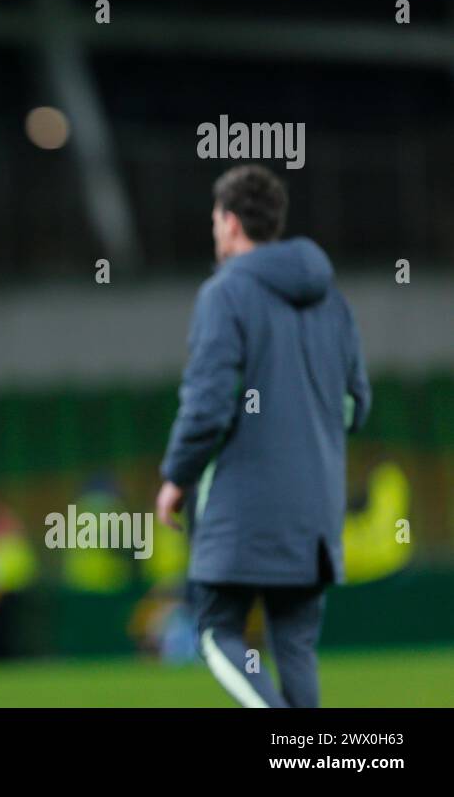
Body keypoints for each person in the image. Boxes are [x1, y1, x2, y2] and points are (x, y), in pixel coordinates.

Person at [156, 164, 371, 708]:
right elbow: (356, 404)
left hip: (244, 514)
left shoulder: (224, 294)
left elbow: (207, 409)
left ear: (230, 223)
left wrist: (176, 479)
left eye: (214, 220)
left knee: (216, 630)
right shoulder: (333, 300)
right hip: (316, 515)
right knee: (294, 647)